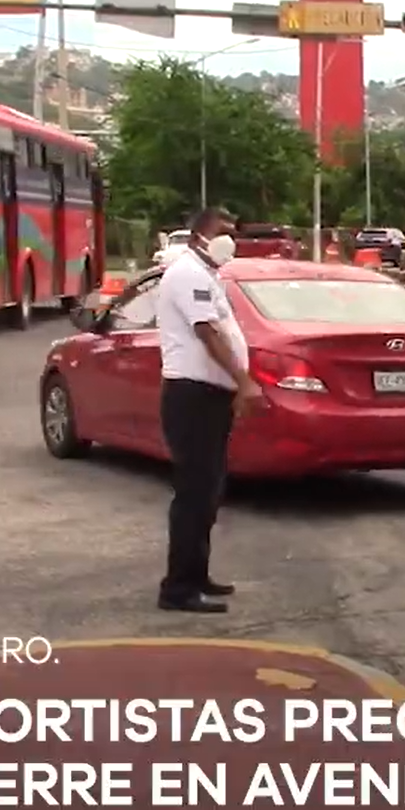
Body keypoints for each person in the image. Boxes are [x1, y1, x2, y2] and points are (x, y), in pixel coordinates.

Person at [154, 207, 261, 614]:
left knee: (209, 493)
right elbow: (207, 334)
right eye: (223, 231)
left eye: (234, 231)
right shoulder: (186, 274)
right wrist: (244, 380)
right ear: (200, 234)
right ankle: (177, 588)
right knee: (194, 494)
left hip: (210, 395)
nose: (230, 238)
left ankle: (197, 575)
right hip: (191, 396)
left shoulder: (209, 275)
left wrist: (237, 382)